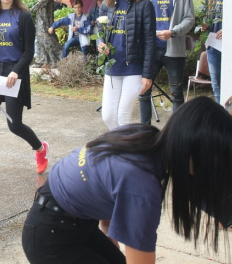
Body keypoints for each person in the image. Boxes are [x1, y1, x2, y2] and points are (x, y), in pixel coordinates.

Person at [22, 96, 232, 264]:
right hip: (51, 239)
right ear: (195, 151)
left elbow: (106, 191)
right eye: (217, 158)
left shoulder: (143, 135)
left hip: (68, 221)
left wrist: (110, 243)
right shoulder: (142, 186)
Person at [0, 0, 49, 187]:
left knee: (14, 124)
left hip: (13, 74)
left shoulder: (23, 16)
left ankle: (40, 148)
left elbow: (29, 51)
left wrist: (16, 71)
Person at [97, 0, 155, 130]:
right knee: (108, 116)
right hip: (112, 67)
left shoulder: (144, 5)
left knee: (123, 115)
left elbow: (150, 41)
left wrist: (147, 75)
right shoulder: (107, 4)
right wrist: (100, 43)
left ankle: (123, 152)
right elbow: (99, 31)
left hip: (134, 68)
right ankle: (125, 147)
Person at [139, 0, 195, 124]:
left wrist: (173, 32)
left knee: (176, 94)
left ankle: (176, 134)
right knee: (143, 90)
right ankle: (145, 132)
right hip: (152, 49)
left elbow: (189, 19)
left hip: (174, 50)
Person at [201, 0, 224, 104]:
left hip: (228, 44)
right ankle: (223, 114)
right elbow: (207, 16)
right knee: (216, 82)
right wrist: (204, 26)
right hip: (213, 44)